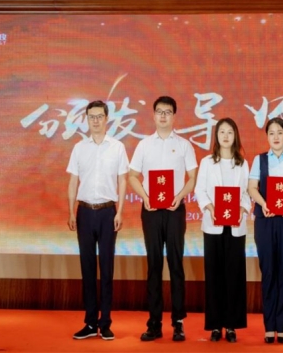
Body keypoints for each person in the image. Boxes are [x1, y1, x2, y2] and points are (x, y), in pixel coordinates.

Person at [128, 96, 198, 342]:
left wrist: (179, 196)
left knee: (176, 264)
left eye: (168, 112)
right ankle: (154, 322)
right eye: (159, 111)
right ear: (154, 115)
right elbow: (132, 176)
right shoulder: (144, 145)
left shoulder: (184, 145)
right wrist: (144, 196)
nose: (163, 116)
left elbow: (193, 177)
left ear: (174, 116)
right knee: (154, 265)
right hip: (151, 210)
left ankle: (178, 322)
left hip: (175, 210)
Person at [67, 100, 129, 341]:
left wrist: (120, 211)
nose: (95, 120)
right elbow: (73, 181)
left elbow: (123, 180)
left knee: (106, 267)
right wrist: (70, 211)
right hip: (84, 211)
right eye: (91, 117)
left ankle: (106, 323)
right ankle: (90, 322)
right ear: (87, 119)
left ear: (106, 118)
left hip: (107, 212)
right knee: (87, 268)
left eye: (99, 116)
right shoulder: (79, 148)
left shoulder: (117, 147)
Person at [247, 117, 283, 344]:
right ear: (267, 137)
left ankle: (282, 327)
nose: (276, 137)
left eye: (280, 132)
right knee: (268, 271)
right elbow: (252, 188)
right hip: (266, 220)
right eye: (271, 133)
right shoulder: (259, 160)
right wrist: (263, 203)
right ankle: (269, 327)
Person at [194, 118, 251, 343]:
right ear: (216, 136)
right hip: (213, 225)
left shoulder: (242, 163)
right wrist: (210, 208)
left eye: (230, 132)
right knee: (214, 275)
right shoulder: (207, 162)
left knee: (234, 275)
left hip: (235, 227)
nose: (226, 136)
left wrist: (242, 209)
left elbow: (246, 193)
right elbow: (200, 190)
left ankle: (232, 324)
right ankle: (216, 325)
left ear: (235, 136)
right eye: (222, 132)